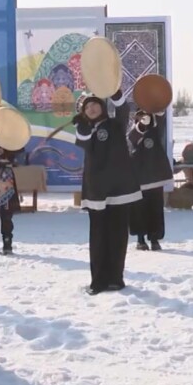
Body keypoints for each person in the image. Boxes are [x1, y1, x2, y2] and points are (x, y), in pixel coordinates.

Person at [73, 90, 142, 295]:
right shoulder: (84, 128)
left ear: (102, 107)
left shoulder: (115, 124)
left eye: (94, 104)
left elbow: (123, 109)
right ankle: (98, 281)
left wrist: (114, 92)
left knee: (118, 235)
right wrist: (83, 124)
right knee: (98, 236)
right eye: (87, 107)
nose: (91, 108)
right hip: (96, 190)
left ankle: (115, 279)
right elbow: (83, 141)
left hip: (120, 187)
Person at [129, 109, 173, 251]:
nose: (144, 117)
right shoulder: (132, 132)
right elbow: (134, 137)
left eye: (145, 114)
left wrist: (157, 106)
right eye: (140, 115)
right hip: (138, 180)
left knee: (155, 210)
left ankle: (154, 239)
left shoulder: (155, 130)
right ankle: (140, 240)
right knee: (138, 211)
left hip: (155, 179)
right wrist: (142, 124)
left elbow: (160, 117)